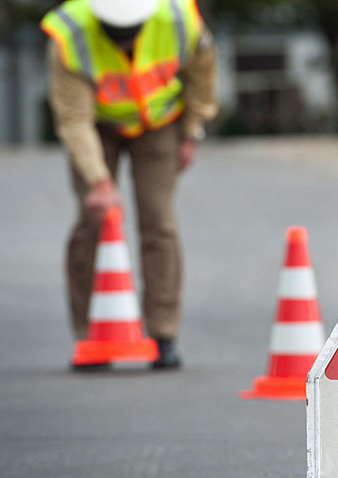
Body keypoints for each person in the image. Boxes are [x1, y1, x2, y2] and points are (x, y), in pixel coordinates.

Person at [40, 0, 218, 369]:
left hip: (159, 122)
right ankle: (92, 336)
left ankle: (163, 334)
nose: (123, 42)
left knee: (159, 221)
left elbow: (202, 76)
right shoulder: (69, 34)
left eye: (130, 33)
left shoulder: (180, 20)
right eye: (114, 34)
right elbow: (73, 119)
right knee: (94, 219)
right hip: (97, 126)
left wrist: (190, 132)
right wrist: (99, 180)